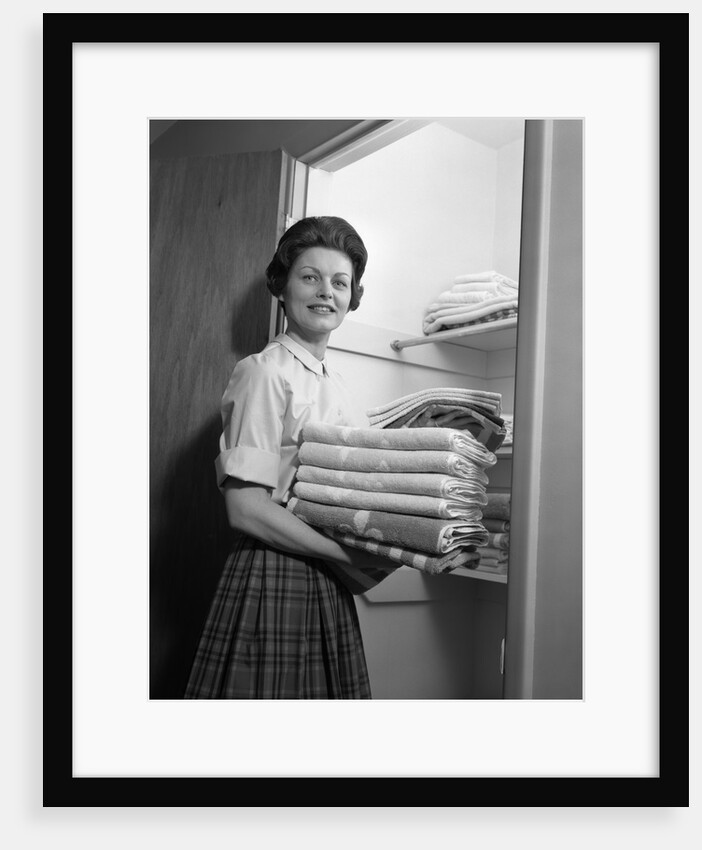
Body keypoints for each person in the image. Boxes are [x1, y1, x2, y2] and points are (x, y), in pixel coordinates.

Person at [184, 216, 394, 699]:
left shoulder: (337, 385)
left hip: (329, 577)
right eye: (310, 277)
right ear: (281, 286)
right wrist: (349, 557)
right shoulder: (262, 372)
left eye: (340, 282)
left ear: (352, 297)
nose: (326, 292)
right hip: (275, 568)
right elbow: (246, 509)